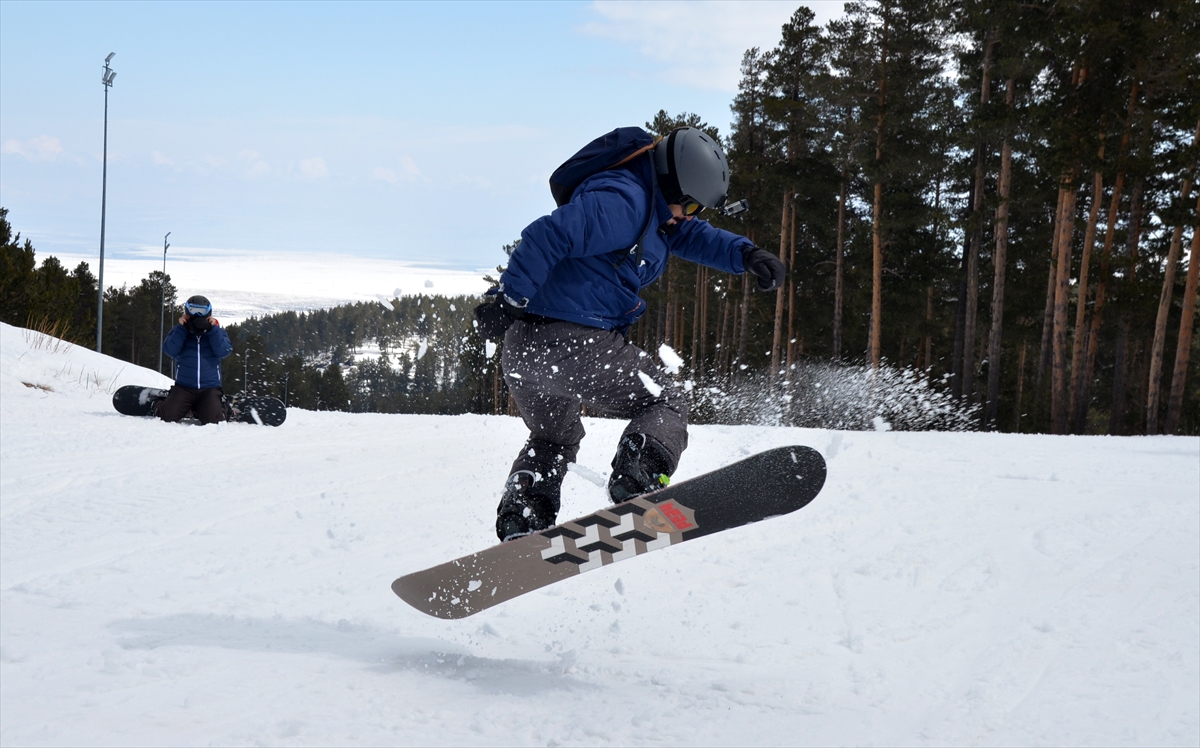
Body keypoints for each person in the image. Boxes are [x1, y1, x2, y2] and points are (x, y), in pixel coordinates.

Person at [473, 126, 785, 541]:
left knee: (553, 437)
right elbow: (550, 233)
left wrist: (745, 253)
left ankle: (525, 510)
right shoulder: (625, 200)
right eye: (691, 205)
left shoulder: (653, 207)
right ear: (673, 183)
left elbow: (691, 234)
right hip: (575, 343)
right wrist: (511, 296)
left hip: (523, 354)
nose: (689, 215)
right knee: (665, 398)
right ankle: (639, 473)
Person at [160, 295, 233, 424]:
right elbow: (169, 350)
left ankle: (220, 407)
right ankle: (161, 402)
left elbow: (224, 351)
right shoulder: (179, 331)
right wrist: (182, 329)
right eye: (194, 310)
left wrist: (212, 330)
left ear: (208, 312)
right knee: (166, 417)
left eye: (202, 311)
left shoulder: (217, 332)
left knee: (214, 421)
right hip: (184, 387)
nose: (198, 315)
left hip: (209, 388)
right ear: (187, 311)